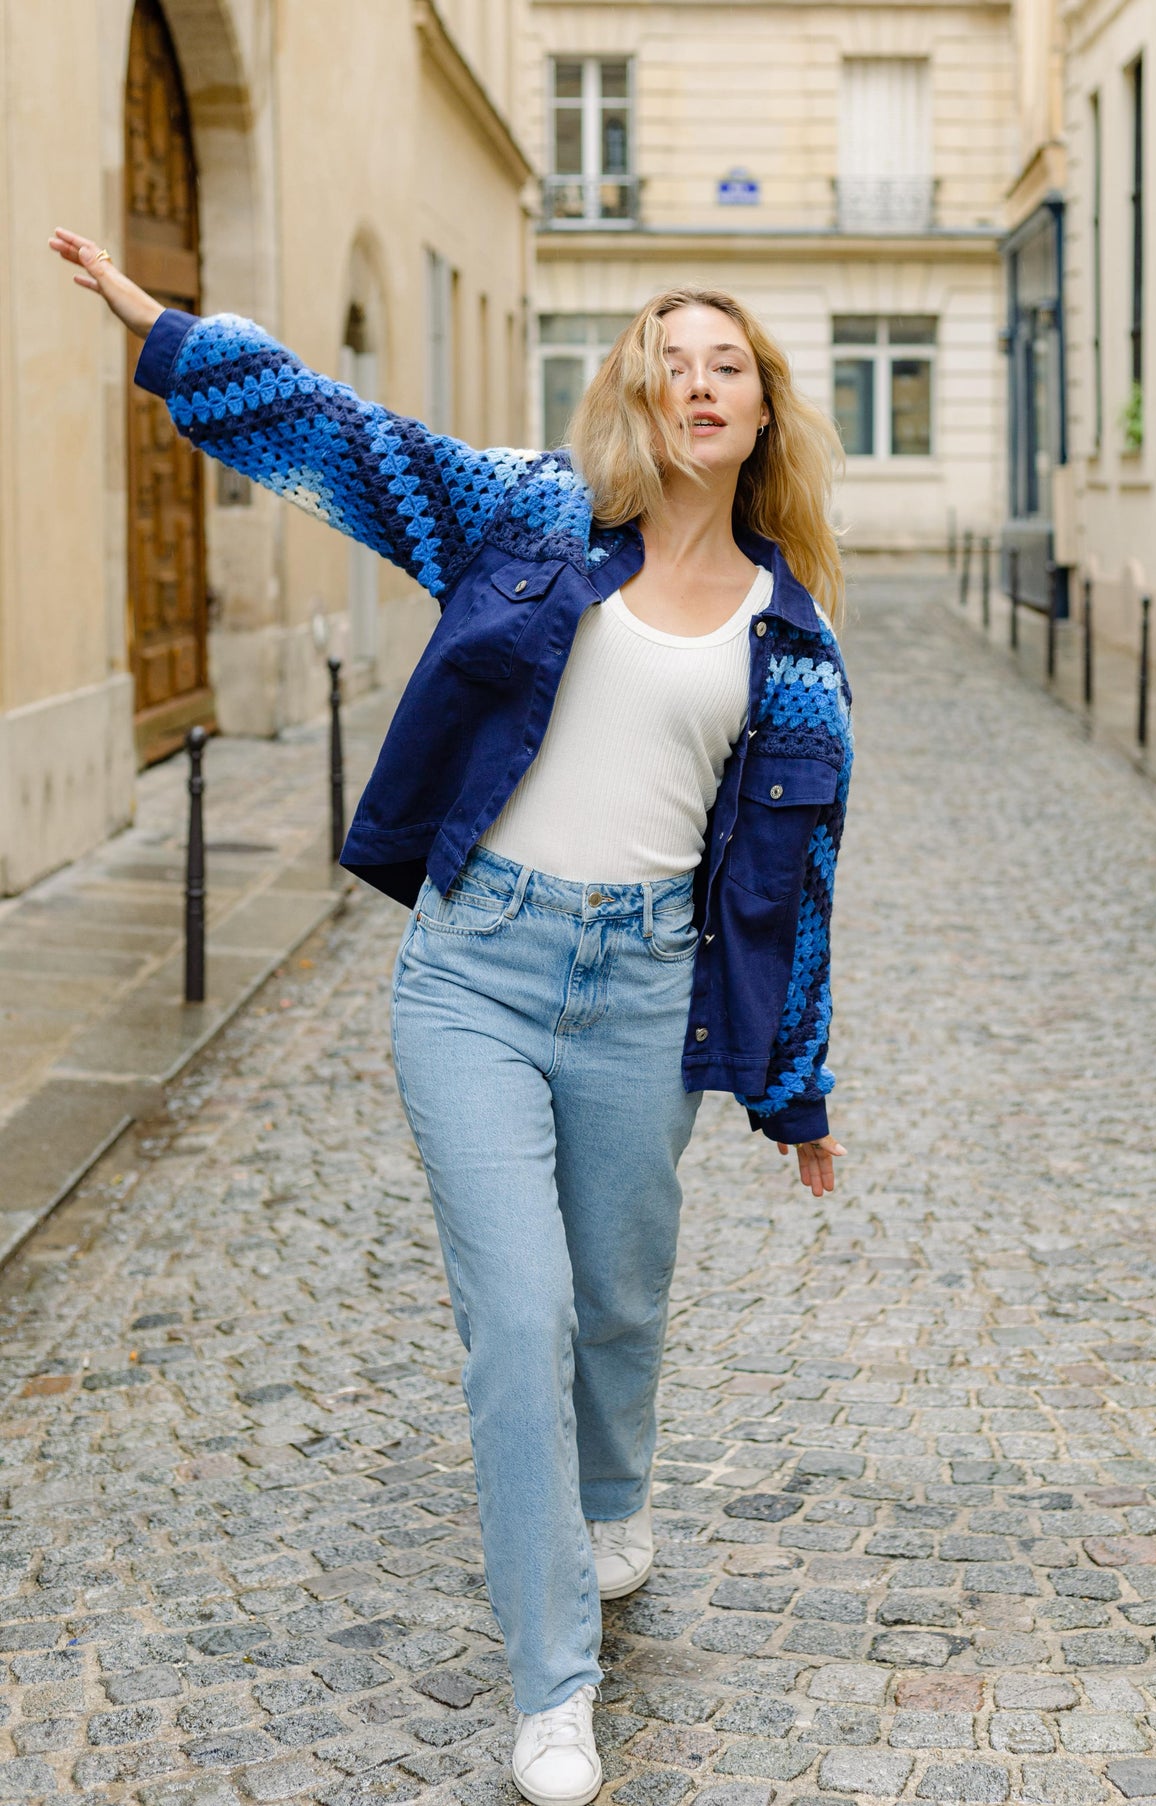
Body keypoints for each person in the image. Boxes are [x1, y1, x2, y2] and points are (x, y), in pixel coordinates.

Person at [49, 227, 853, 1806]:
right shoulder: (532, 516)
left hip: (645, 988)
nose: (697, 382)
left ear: (761, 413)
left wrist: (797, 1089)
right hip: (476, 971)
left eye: (728, 365)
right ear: (633, 387)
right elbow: (352, 441)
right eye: (669, 357)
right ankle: (553, 1688)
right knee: (522, 1314)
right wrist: (169, 335)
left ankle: (616, 1494)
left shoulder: (790, 635)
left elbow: (793, 882)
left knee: (621, 1296)